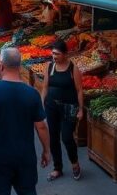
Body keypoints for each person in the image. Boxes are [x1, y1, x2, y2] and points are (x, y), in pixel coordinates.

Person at [0, 47, 51, 195]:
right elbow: (41, 126)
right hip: (25, 156)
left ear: (1, 65)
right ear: (19, 65)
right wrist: (46, 150)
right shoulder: (32, 93)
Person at [38, 40, 84, 181]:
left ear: (65, 54)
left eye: (57, 54)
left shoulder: (72, 68)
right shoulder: (50, 66)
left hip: (69, 107)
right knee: (53, 137)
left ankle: (75, 164)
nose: (54, 56)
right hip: (51, 106)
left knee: (67, 137)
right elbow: (45, 87)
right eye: (53, 53)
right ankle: (57, 168)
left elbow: (79, 90)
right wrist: (41, 105)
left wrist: (81, 109)